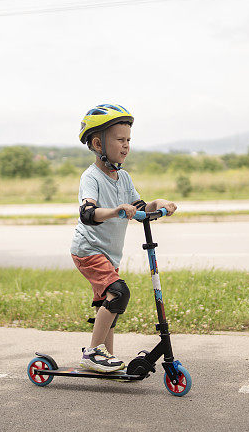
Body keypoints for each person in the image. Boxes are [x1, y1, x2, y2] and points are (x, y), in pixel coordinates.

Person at [70, 103, 177, 372]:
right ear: (97, 144)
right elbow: (87, 212)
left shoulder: (124, 177)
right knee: (119, 293)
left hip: (108, 252)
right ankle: (93, 353)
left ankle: (105, 356)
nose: (126, 145)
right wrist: (116, 211)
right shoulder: (91, 177)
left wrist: (158, 203)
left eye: (128, 139)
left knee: (108, 305)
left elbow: (139, 208)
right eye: (120, 139)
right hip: (88, 250)